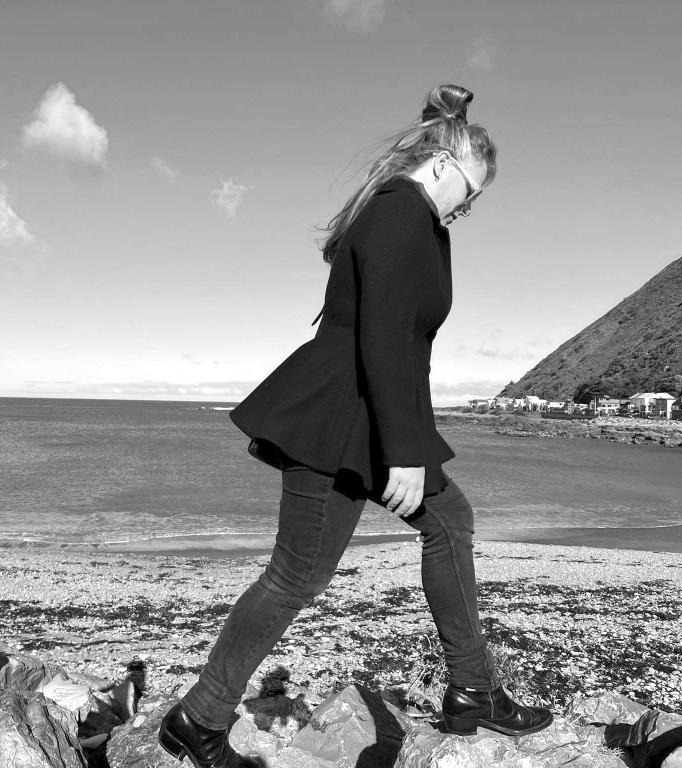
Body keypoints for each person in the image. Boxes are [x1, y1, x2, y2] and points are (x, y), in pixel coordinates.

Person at [159, 84, 553, 768]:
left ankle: (471, 688)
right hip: (341, 419)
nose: (467, 207)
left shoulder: (404, 215)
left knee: (448, 521)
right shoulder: (402, 215)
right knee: (294, 578)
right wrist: (402, 452)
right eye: (471, 191)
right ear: (444, 163)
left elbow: (396, 344)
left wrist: (406, 443)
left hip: (362, 416)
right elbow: (384, 341)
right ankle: (198, 718)